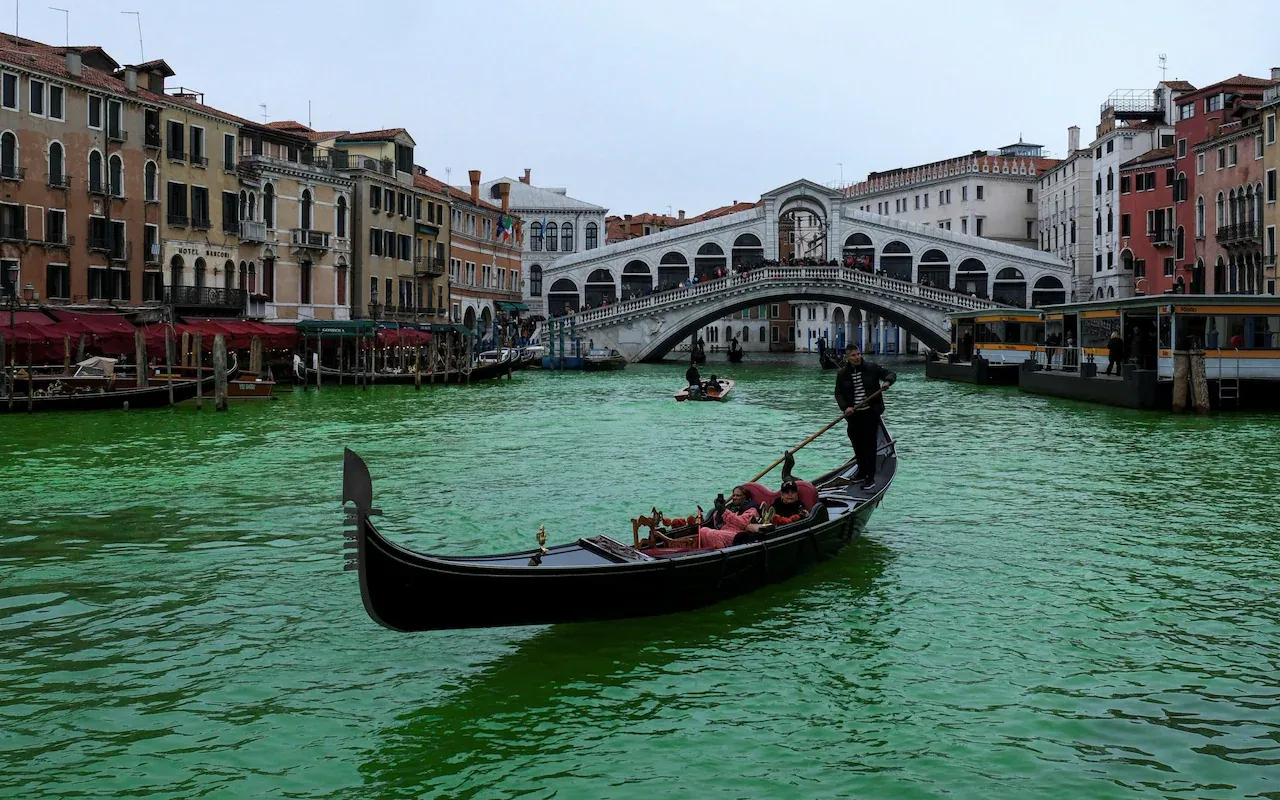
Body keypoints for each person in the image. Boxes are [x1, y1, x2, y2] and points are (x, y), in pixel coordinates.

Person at [834, 343, 896, 490]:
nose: (857, 357)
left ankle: (870, 478)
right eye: (853, 355)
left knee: (869, 446)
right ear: (847, 358)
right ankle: (861, 473)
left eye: (858, 354)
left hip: (870, 413)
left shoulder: (872, 368)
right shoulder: (842, 374)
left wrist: (887, 382)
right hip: (854, 415)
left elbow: (891, 374)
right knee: (857, 445)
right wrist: (846, 407)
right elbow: (838, 394)